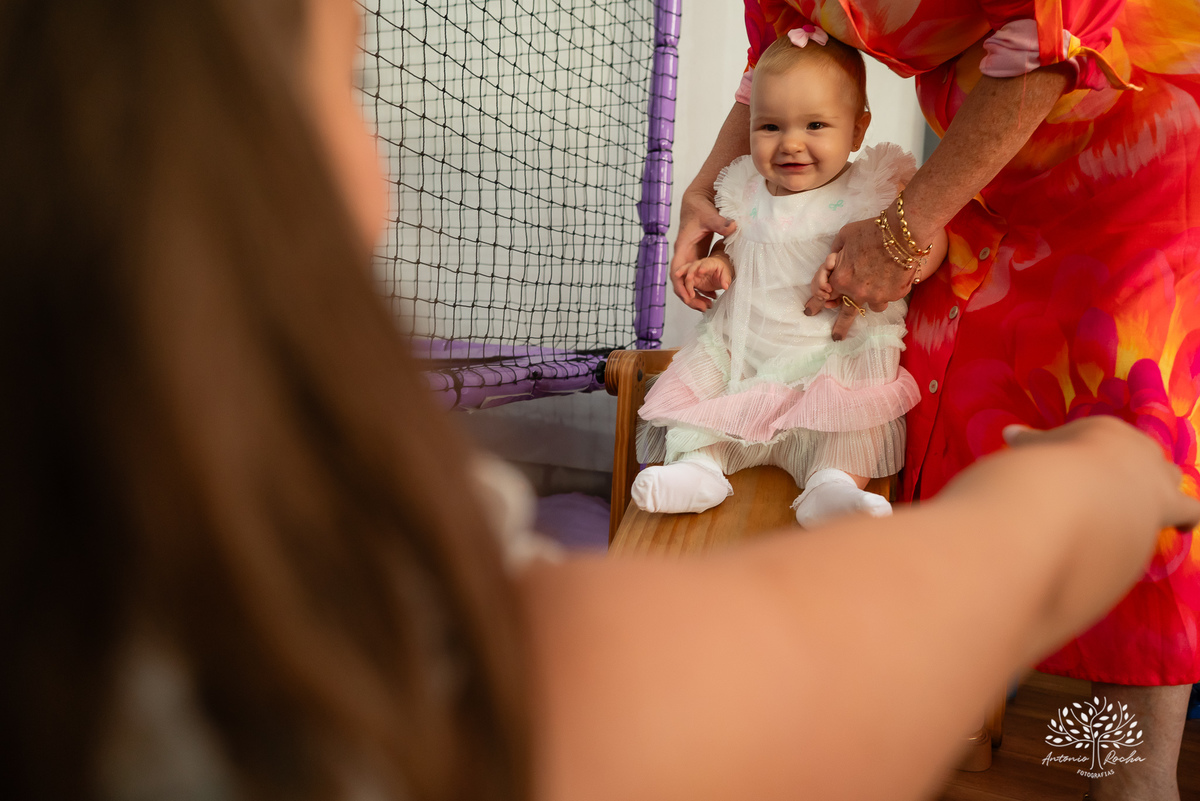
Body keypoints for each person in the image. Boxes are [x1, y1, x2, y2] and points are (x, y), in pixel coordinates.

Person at [2, 2, 1198, 801]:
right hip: (962, 256)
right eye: (349, 79)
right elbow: (765, 675)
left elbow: (1044, 43)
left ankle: (1120, 748)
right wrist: (1063, 503)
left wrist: (901, 223)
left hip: (1110, 184)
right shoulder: (332, 619)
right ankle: (1044, 720)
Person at [672, 2, 1200, 798]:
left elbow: (1047, 41)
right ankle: (950, 696)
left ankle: (1131, 778)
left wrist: (901, 231)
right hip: (988, 179)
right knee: (927, 399)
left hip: (1143, 164)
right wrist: (708, 190)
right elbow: (776, 60)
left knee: (1131, 432)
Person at [632, 30, 947, 527]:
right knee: (698, 401)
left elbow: (928, 241)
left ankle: (833, 486)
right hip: (747, 351)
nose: (790, 143)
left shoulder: (872, 189)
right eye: (770, 126)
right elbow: (737, 253)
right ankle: (699, 469)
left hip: (832, 358)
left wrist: (907, 259)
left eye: (816, 124)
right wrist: (719, 268)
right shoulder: (743, 189)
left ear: (858, 130)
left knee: (852, 421)